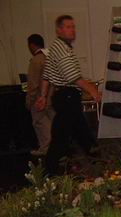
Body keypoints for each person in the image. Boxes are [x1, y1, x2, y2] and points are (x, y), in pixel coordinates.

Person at [35, 15, 101, 175]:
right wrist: (93, 90)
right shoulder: (62, 49)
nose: (73, 30)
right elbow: (73, 77)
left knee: (77, 130)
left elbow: (47, 75)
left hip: (64, 96)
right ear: (59, 30)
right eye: (68, 27)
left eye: (73, 27)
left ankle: (94, 157)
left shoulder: (57, 48)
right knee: (63, 135)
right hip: (67, 96)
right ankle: (50, 170)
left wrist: (43, 96)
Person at [26, 34, 54, 157]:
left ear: (32, 45)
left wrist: (29, 100)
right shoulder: (50, 58)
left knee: (41, 124)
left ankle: (46, 149)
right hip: (52, 97)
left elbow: (33, 84)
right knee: (52, 123)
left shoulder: (36, 61)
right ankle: (57, 149)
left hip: (39, 99)